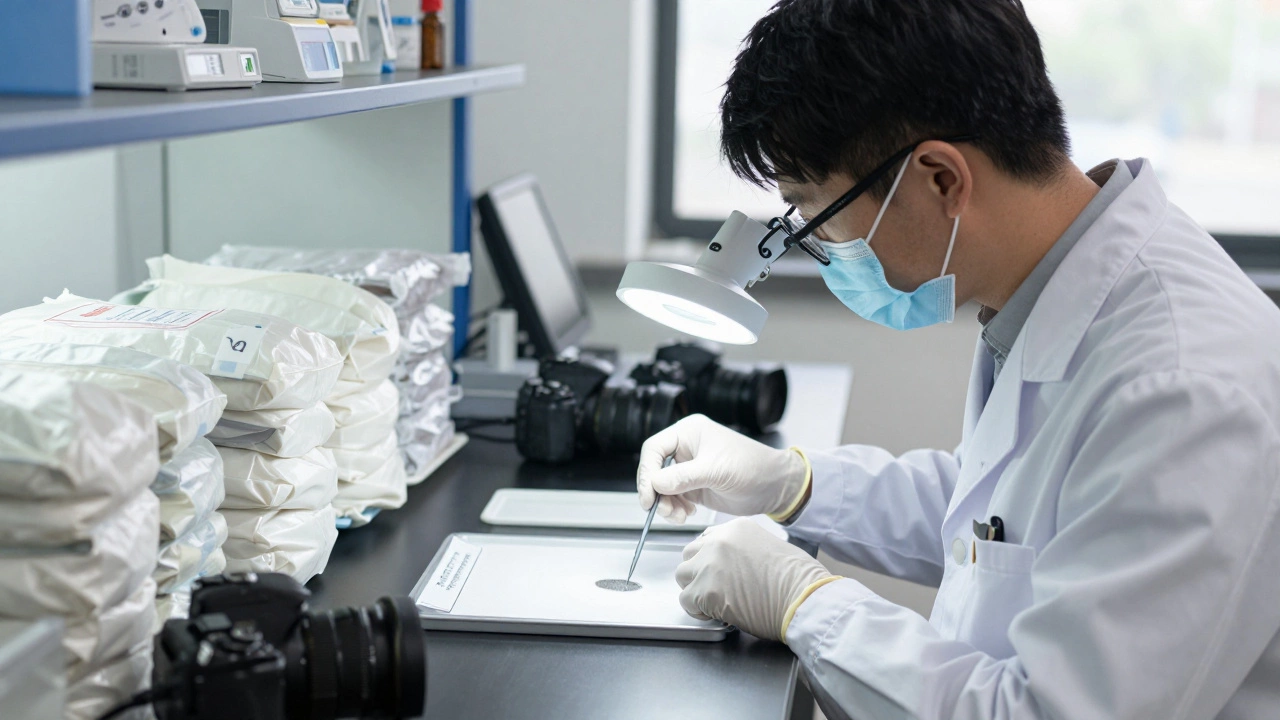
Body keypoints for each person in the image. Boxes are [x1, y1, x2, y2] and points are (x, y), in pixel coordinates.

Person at [635, 1, 1280, 718]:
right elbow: (1001, 525)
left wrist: (804, 603)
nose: (822, 252)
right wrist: (793, 484)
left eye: (817, 218)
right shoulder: (1051, 289)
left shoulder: (1183, 388)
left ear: (940, 178)